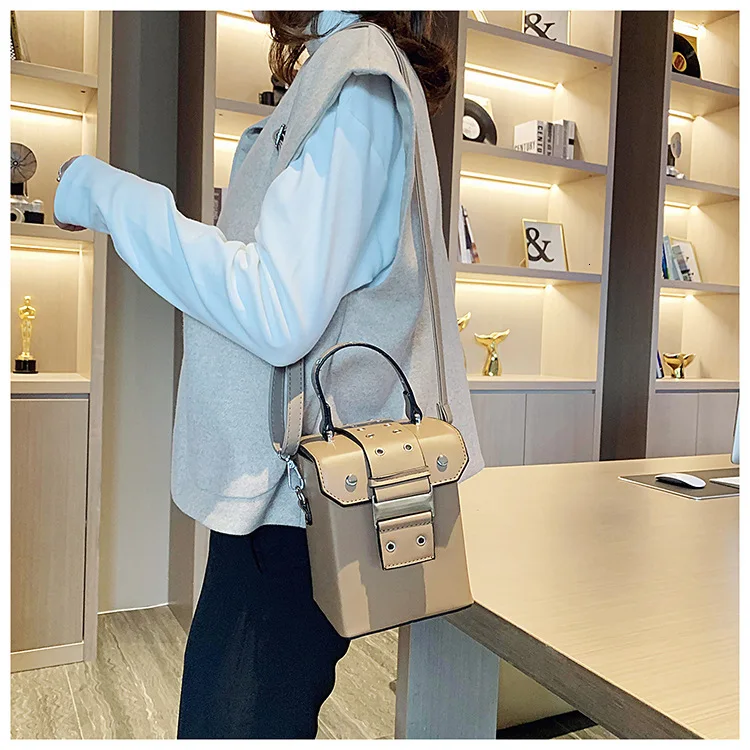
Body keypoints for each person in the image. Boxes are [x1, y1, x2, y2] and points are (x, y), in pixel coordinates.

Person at [54, 10, 483, 739]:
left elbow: (278, 309)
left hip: (297, 503)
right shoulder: (345, 70)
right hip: (290, 496)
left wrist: (110, 197)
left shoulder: (358, 76)